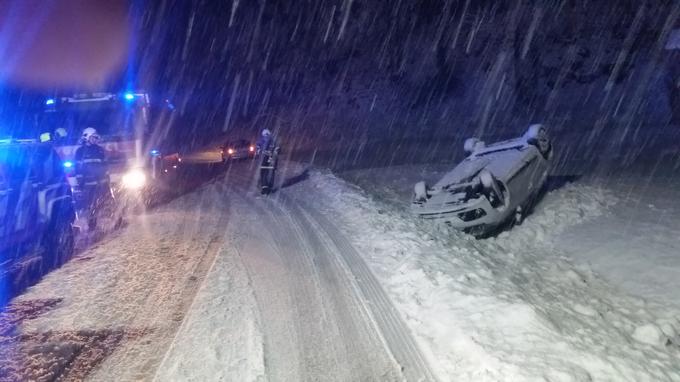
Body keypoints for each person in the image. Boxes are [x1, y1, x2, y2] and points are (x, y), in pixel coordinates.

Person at [74, 128, 109, 228]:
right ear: (87, 137)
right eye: (93, 137)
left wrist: (106, 181)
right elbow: (78, 170)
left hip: (101, 184)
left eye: (95, 137)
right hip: (88, 185)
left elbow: (105, 166)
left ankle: (114, 220)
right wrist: (80, 184)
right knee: (89, 206)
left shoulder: (100, 150)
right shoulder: (80, 152)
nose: (95, 139)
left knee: (103, 203)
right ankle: (92, 224)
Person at [256, 129, 280, 194]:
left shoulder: (269, 141)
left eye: (266, 135)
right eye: (265, 135)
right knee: (267, 173)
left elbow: (277, 149)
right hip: (267, 159)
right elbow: (277, 149)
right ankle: (266, 187)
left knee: (266, 173)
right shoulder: (271, 140)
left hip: (267, 159)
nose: (265, 137)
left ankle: (266, 187)